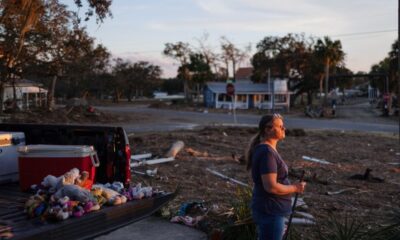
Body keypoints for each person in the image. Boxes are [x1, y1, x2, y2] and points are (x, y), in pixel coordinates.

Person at [246, 114, 306, 240]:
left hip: (271, 210)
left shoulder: (267, 150)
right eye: (280, 126)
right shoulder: (267, 153)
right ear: (268, 129)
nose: (284, 129)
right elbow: (271, 187)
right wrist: (295, 188)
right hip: (271, 211)